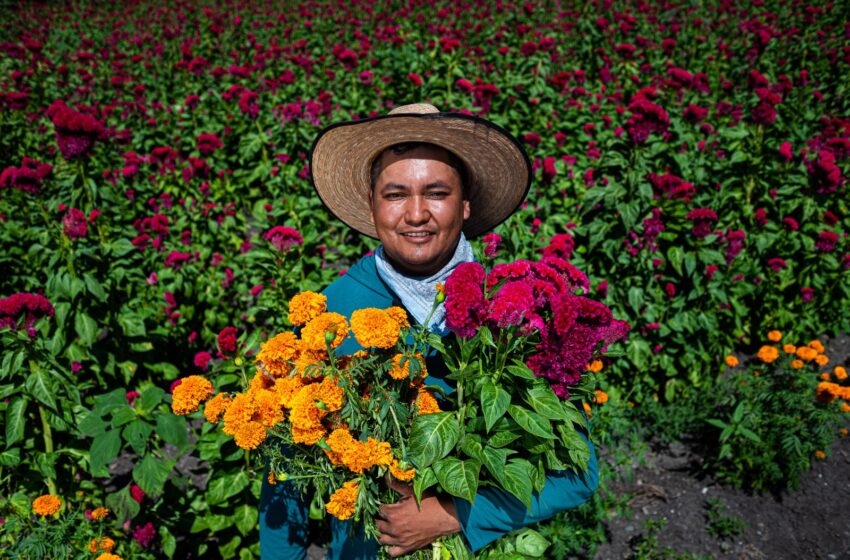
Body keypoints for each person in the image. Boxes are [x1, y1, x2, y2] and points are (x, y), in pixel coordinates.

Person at [259, 103, 599, 559]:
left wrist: (455, 513)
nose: (415, 214)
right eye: (395, 194)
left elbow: (579, 474)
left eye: (436, 193)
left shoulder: (514, 315)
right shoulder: (331, 313)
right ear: (372, 203)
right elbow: (285, 478)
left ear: (464, 204)